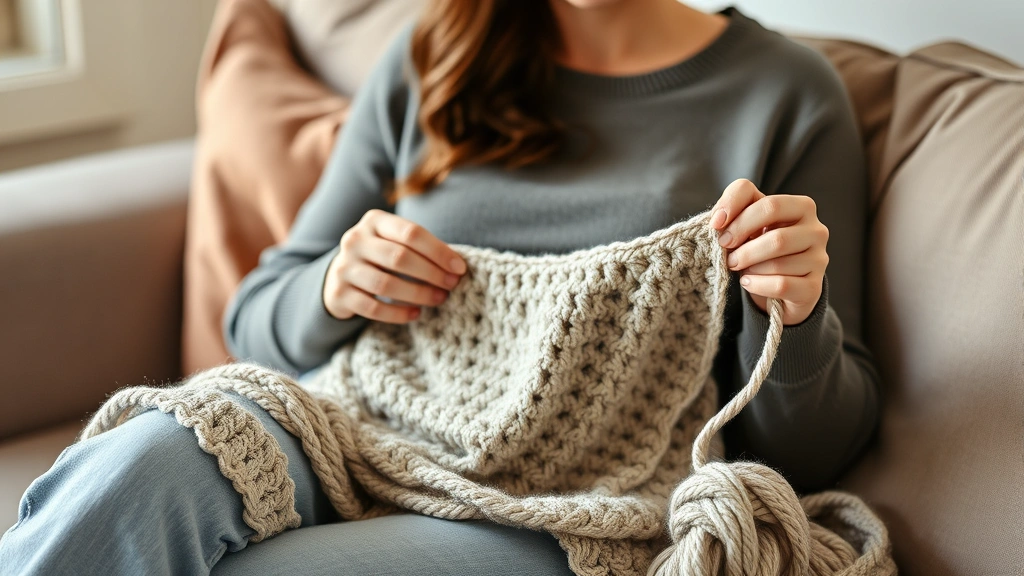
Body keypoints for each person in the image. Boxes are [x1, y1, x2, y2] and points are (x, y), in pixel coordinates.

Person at [0, 1, 880, 574]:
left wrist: (794, 316)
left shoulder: (786, 94)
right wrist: (336, 286)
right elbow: (257, 316)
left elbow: (813, 451)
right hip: (346, 429)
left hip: (569, 504)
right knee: (133, 472)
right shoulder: (435, 51)